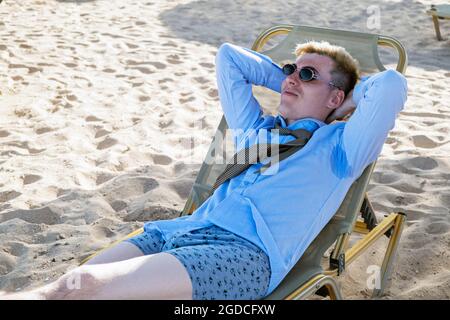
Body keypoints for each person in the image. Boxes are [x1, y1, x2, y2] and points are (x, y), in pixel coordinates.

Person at [2, 41, 407, 300]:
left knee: (84, 289)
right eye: (289, 69)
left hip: (242, 254)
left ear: (336, 95)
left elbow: (390, 85)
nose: (291, 80)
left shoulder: (341, 149)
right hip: (179, 231)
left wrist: (346, 101)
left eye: (307, 75)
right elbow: (229, 58)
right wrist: (292, 81)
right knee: (67, 289)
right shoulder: (257, 131)